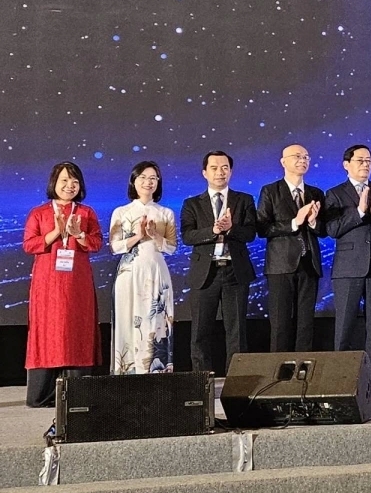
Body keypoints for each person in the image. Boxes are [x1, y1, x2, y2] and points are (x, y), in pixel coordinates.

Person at [22, 162, 102, 407]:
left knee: (78, 326)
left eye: (75, 181)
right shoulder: (39, 212)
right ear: (54, 183)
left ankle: (77, 392)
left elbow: (96, 243)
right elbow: (29, 245)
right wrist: (56, 231)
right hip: (48, 281)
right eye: (64, 181)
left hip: (78, 281)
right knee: (47, 329)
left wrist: (79, 235)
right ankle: (42, 394)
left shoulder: (86, 212)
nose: (70, 186)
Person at [323, 144, 371, 391]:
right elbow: (332, 229)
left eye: (369, 161)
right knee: (345, 324)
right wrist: (359, 211)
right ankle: (340, 377)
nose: (365, 165)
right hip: (348, 267)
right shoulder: (334, 193)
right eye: (360, 160)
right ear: (346, 164)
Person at [181, 151, 257, 375]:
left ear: (231, 171)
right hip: (205, 273)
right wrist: (213, 230)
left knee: (236, 331)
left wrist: (231, 229)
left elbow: (251, 233)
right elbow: (188, 236)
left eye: (224, 167)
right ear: (204, 172)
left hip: (235, 272)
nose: (220, 172)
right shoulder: (192, 203)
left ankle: (236, 381)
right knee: (200, 332)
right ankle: (201, 381)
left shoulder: (244, 200)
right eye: (214, 168)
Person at [110, 161, 177, 374]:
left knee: (156, 321)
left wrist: (155, 235)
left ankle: (155, 373)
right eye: (143, 178)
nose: (148, 182)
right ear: (134, 181)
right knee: (127, 320)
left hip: (156, 270)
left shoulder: (166, 213)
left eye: (153, 178)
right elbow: (115, 247)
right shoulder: (121, 212)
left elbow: (172, 247)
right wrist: (138, 236)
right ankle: (128, 373)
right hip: (129, 273)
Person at [257, 144, 324, 352]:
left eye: (306, 157)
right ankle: (280, 368)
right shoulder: (270, 191)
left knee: (306, 324)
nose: (302, 160)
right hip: (280, 266)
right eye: (297, 156)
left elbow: (324, 230)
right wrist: (295, 222)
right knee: (280, 324)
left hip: (309, 264)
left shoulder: (315, 193)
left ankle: (303, 367)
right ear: (283, 162)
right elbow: (263, 228)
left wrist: (313, 222)